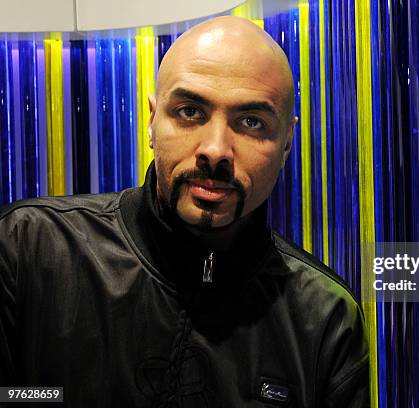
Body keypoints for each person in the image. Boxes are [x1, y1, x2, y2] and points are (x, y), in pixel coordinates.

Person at [0, 16, 369, 407]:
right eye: (190, 112)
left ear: (287, 141)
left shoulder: (323, 314)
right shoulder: (28, 250)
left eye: (251, 121)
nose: (215, 150)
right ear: (152, 121)